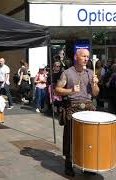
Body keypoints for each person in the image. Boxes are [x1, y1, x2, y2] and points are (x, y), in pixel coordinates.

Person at [55, 48, 99, 177]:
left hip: (88, 107)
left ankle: (88, 164)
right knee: (70, 137)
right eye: (83, 56)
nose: (86, 59)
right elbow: (57, 90)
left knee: (89, 138)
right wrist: (71, 91)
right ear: (76, 57)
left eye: (87, 57)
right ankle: (69, 164)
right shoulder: (67, 73)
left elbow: (96, 93)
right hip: (72, 107)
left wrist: (95, 84)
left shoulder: (91, 73)